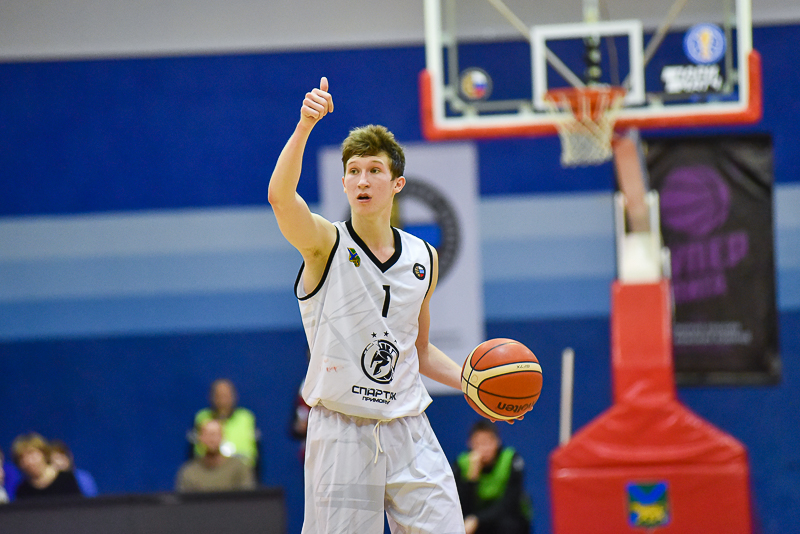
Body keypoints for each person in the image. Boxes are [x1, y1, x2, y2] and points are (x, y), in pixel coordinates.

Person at [268, 76, 472, 534]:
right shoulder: (324, 244)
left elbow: (419, 351)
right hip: (342, 430)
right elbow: (280, 198)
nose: (363, 180)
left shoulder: (424, 257)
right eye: (354, 171)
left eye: (375, 170)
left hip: (409, 426)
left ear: (397, 183)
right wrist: (304, 126)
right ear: (344, 183)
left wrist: (473, 384)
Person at [452, 421, 532, 534]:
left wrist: (478, 520)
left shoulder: (511, 460)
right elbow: (461, 508)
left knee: (508, 525)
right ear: (470, 444)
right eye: (478, 443)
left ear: (497, 442)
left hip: (505, 520)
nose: (484, 448)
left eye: (488, 442)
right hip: (475, 521)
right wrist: (472, 478)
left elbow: (510, 503)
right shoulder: (461, 464)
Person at [193, 378, 258, 470]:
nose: (223, 400)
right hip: (208, 471)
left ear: (234, 396)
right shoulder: (202, 417)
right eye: (219, 396)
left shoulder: (246, 418)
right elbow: (195, 454)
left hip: (241, 472)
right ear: (211, 397)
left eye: (226, 396)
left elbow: (255, 454)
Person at [176, 418, 256, 493]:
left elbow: (247, 498)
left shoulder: (239, 468)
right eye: (207, 434)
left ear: (223, 437)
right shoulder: (189, 472)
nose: (212, 439)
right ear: (200, 438)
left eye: (215, 434)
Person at [11, 433, 82, 501]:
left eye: (32, 454)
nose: (29, 461)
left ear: (44, 454)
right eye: (22, 458)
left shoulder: (66, 479)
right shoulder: (22, 489)